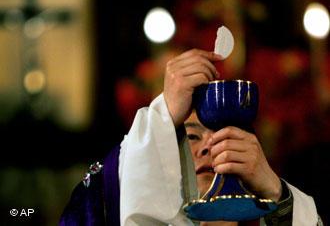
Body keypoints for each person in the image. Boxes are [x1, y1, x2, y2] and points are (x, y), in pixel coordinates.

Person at [60, 49, 322, 225]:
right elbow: (92, 204)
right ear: (161, 158)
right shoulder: (135, 177)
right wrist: (163, 117)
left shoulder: (273, 208)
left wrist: (278, 194)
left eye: (229, 137)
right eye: (193, 138)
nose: (212, 147)